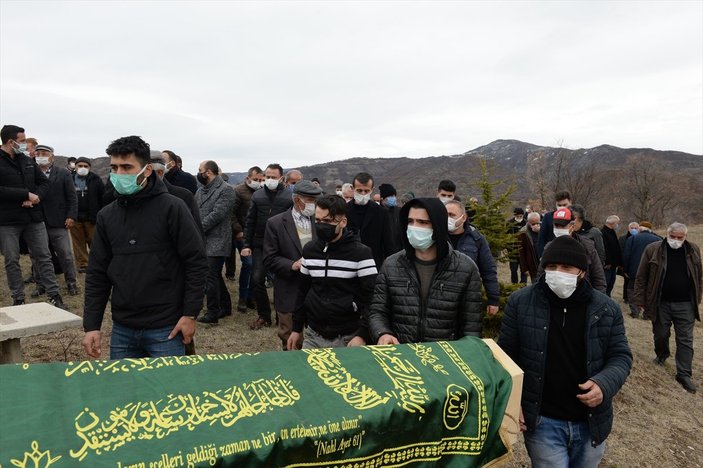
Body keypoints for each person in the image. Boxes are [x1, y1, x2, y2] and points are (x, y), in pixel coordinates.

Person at [498, 235, 632, 467]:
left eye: (566, 267)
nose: (557, 272)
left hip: (591, 422)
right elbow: (505, 357)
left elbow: (620, 356)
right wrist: (512, 401)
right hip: (542, 421)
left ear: (582, 271)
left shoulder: (606, 308)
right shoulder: (520, 302)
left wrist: (604, 384)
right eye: (551, 267)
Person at [82, 135, 207, 359]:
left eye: (127, 167)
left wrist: (190, 314)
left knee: (169, 392)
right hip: (123, 328)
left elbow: (195, 262)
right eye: (114, 168)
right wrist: (92, 325)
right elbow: (97, 273)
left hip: (166, 328)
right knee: (126, 392)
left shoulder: (173, 207)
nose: (119, 174)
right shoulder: (107, 215)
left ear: (147, 170)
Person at [368, 198, 483, 344]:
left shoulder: (465, 268)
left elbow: (471, 327)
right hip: (401, 355)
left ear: (438, 225)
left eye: (423, 222)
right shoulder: (391, 265)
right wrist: (382, 333)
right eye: (410, 221)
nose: (415, 227)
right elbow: (378, 312)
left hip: (444, 358)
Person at [287, 194, 377, 350]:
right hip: (314, 334)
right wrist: (296, 328)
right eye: (318, 220)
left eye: (327, 221)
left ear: (343, 222)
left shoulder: (361, 254)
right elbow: (303, 290)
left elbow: (372, 298)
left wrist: (362, 335)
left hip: (348, 336)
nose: (321, 225)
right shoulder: (310, 250)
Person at [0, 124, 65, 308]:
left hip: (33, 218)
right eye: (21, 141)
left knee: (44, 256)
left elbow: (43, 183)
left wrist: (35, 198)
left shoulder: (28, 161)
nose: (24, 144)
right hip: (8, 220)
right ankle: (18, 298)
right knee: (12, 260)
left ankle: (54, 295)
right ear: (10, 141)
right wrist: (24, 194)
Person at [634, 222, 701, 394]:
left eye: (680, 238)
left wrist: (697, 298)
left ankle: (684, 374)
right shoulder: (653, 249)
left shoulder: (693, 250)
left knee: (685, 339)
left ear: (685, 236)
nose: (676, 241)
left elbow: (698, 276)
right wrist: (639, 299)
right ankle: (662, 354)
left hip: (685, 303)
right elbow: (641, 276)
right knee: (661, 333)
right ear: (667, 234)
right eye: (673, 237)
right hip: (660, 302)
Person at [263, 181, 323, 349]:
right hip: (289, 289)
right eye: (311, 200)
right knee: (290, 339)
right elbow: (269, 258)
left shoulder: (320, 221)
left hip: (317, 291)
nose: (314, 204)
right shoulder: (275, 223)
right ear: (297, 200)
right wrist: (292, 265)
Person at [242, 163, 294, 329]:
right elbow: (250, 221)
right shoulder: (257, 196)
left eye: (273, 177)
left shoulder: (289, 196)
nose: (270, 180)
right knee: (257, 279)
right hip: (260, 243)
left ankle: (282, 315)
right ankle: (264, 316)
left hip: (282, 245)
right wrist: (246, 244)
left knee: (282, 281)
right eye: (267, 176)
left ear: (281, 178)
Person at [33, 144, 79, 296]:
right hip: (36, 221)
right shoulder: (30, 172)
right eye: (38, 153)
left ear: (52, 156)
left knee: (65, 254)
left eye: (44, 153)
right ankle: (40, 284)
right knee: (38, 255)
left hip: (58, 221)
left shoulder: (63, 173)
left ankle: (71, 282)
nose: (41, 155)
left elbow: (72, 196)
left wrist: (71, 215)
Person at [195, 161, 235, 325]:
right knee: (214, 276)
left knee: (209, 276)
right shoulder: (200, 191)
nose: (198, 173)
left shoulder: (226, 190)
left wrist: (197, 228)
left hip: (218, 239)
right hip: (203, 240)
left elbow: (217, 214)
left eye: (200, 171)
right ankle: (225, 307)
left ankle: (213, 312)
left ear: (209, 172)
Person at [445, 200, 500, 316]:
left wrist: (493, 299)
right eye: (445, 215)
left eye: (451, 215)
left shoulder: (477, 239)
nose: (447, 218)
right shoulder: (437, 238)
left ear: (463, 217)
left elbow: (488, 270)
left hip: (469, 298)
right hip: (442, 298)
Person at [540, 207, 607, 294]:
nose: (559, 229)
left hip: (582, 295)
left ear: (572, 225)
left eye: (563, 225)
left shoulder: (587, 246)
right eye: (556, 225)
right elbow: (540, 275)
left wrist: (597, 301)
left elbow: (598, 278)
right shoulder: (549, 247)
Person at [229, 166, 264, 310]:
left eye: (261, 180)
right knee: (248, 265)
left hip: (258, 235)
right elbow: (231, 213)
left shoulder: (262, 192)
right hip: (242, 234)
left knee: (256, 267)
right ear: (248, 178)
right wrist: (238, 230)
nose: (258, 182)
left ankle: (251, 297)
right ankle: (242, 298)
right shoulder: (238, 191)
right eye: (255, 179)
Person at [346, 172, 396, 269]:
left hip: (373, 265)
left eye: (366, 191)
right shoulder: (343, 210)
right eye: (359, 190)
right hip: (348, 264)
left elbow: (388, 243)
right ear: (353, 189)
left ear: (372, 190)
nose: (363, 194)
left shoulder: (381, 212)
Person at [70, 157, 105, 274]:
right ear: (75, 167)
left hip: (92, 217)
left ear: (90, 167)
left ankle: (97, 262)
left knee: (94, 241)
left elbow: (102, 197)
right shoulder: (69, 179)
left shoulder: (96, 179)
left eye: (86, 166)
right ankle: (83, 264)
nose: (83, 168)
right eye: (80, 166)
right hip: (74, 217)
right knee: (78, 242)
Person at [622, 221, 661, 318]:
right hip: (652, 271)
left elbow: (626, 255)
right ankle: (647, 313)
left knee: (632, 290)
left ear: (639, 229)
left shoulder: (632, 239)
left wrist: (625, 270)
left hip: (634, 270)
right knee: (649, 290)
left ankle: (635, 311)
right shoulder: (659, 240)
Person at [537, 190, 572, 258]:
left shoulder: (574, 216)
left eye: (565, 205)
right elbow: (541, 237)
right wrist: (541, 256)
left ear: (570, 202)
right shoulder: (548, 217)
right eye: (559, 205)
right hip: (551, 253)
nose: (562, 207)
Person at [517, 211, 541, 283]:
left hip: (543, 263)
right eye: (533, 224)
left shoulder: (544, 228)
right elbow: (521, 252)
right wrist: (525, 268)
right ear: (528, 222)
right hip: (532, 265)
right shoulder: (523, 233)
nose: (536, 225)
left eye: (537, 223)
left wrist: (540, 231)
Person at [601, 215, 622, 297]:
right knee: (606, 284)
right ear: (612, 223)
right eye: (617, 223)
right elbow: (604, 249)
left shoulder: (612, 232)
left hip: (613, 265)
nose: (617, 225)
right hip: (607, 265)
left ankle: (608, 297)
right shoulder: (603, 233)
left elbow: (615, 248)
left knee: (611, 283)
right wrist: (607, 262)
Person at [379, 183, 403, 251]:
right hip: (384, 252)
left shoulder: (399, 211)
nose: (394, 198)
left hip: (399, 251)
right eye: (391, 196)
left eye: (394, 195)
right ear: (383, 198)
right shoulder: (378, 212)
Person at [619, 221, 639, 302]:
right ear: (628, 228)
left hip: (636, 263)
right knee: (627, 281)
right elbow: (620, 251)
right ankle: (626, 297)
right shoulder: (623, 238)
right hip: (626, 264)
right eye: (632, 228)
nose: (634, 229)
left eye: (635, 228)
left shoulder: (639, 238)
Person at [508, 207, 528, 284]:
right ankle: (514, 284)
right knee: (513, 269)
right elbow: (505, 236)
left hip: (523, 250)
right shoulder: (509, 223)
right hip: (513, 250)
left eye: (521, 216)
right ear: (514, 215)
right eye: (517, 216)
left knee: (523, 269)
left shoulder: (526, 223)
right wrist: (506, 248)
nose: (519, 218)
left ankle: (523, 284)